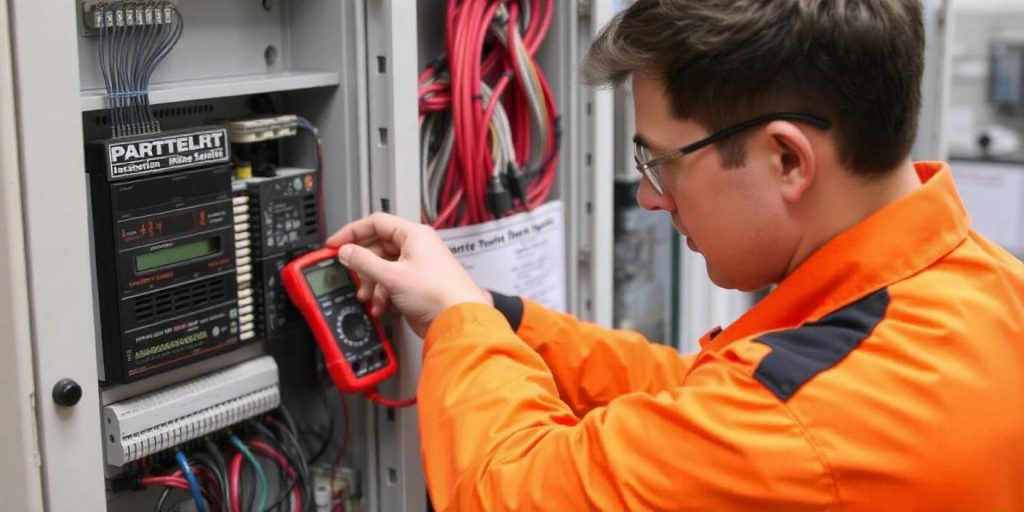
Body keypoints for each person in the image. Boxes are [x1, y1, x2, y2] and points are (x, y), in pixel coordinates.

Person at [327, 0, 1024, 510]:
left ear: (786, 159)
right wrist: (494, 315)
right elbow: (698, 393)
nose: (654, 200)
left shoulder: (808, 420)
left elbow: (509, 492)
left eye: (661, 161)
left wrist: (459, 324)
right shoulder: (980, 284)